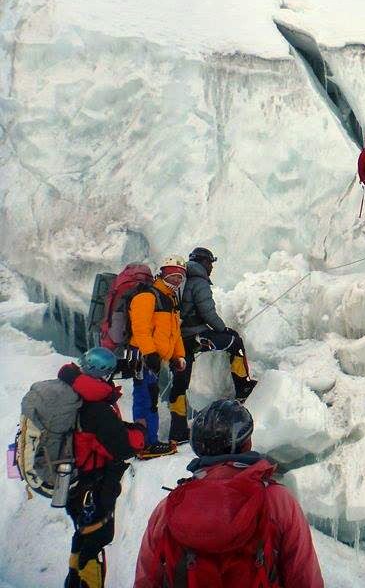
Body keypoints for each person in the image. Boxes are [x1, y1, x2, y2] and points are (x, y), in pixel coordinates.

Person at [134, 400, 325, 587]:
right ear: (246, 444)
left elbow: (146, 579)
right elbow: (305, 578)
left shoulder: (168, 508)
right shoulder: (278, 502)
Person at [61, 348, 146, 588]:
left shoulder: (74, 391)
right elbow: (123, 447)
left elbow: (101, 435)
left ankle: (74, 582)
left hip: (73, 482)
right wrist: (140, 431)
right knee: (96, 540)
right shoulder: (96, 408)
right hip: (93, 486)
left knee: (84, 535)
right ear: (102, 375)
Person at [171, 247, 257, 443]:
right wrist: (223, 329)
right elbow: (208, 312)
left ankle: (177, 430)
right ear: (203, 262)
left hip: (178, 340)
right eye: (210, 262)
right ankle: (243, 386)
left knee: (180, 384)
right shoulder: (199, 282)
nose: (211, 267)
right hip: (196, 336)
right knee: (235, 342)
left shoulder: (181, 280)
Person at [129, 256, 188, 457]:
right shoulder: (147, 296)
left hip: (153, 358)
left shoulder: (170, 300)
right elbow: (140, 328)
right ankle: (146, 443)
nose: (176, 281)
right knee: (145, 398)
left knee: (150, 397)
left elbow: (174, 333)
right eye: (173, 276)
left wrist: (178, 356)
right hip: (142, 356)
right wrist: (149, 353)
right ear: (163, 274)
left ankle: (147, 441)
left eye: (180, 277)